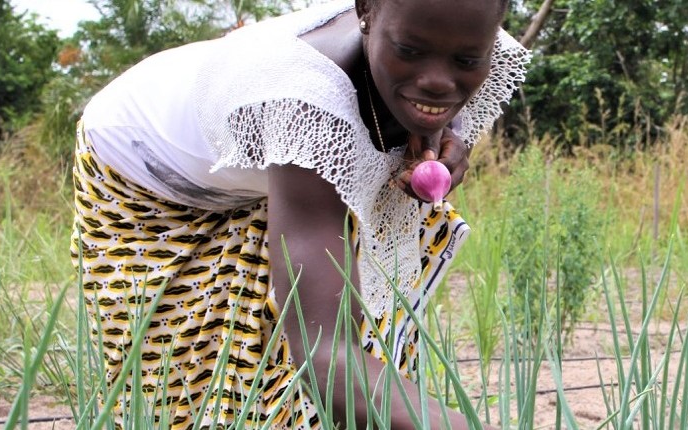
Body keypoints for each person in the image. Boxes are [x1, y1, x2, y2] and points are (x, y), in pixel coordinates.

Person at [69, 0, 529, 427]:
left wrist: (440, 136)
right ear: (367, 7)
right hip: (142, 171)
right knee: (185, 379)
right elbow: (327, 354)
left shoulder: (462, 28)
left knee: (328, 352)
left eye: (466, 62)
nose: (438, 80)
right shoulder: (304, 97)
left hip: (269, 165)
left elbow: (438, 93)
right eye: (410, 50)